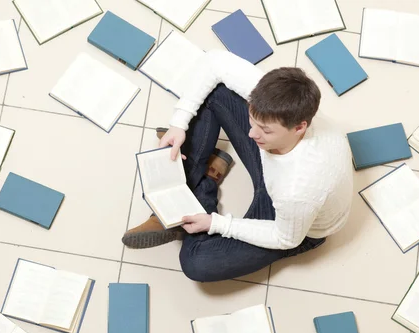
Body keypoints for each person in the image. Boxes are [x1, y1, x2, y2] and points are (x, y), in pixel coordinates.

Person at [122, 49, 353, 282]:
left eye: (265, 129)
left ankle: (200, 195)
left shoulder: (298, 190)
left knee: (196, 263)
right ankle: (179, 197)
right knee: (216, 91)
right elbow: (215, 61)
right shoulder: (286, 106)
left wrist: (217, 224)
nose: (251, 134)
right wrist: (178, 124)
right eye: (253, 121)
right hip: (275, 162)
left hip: (294, 224)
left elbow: (286, 238)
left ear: (299, 127)